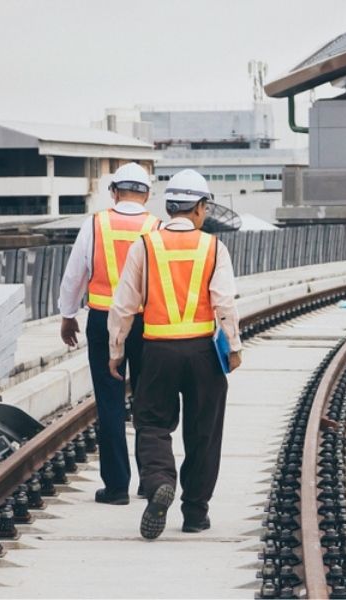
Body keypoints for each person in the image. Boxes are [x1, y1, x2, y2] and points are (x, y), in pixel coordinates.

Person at [106, 168, 243, 540]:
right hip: (202, 352)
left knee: (151, 424)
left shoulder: (145, 245)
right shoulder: (214, 247)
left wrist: (116, 350)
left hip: (157, 351)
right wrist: (233, 346)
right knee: (204, 432)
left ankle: (159, 481)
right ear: (200, 208)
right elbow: (225, 303)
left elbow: (123, 305)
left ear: (169, 207)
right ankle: (196, 512)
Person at [56, 162, 160, 506]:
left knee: (110, 402)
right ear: (146, 194)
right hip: (146, 323)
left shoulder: (96, 224)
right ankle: (150, 480)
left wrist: (68, 315)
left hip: (102, 320)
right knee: (148, 402)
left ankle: (116, 488)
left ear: (114, 192)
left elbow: (75, 275)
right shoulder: (156, 228)